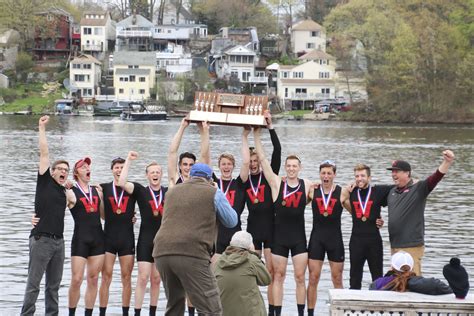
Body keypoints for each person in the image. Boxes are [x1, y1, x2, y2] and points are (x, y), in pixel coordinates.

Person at [152, 163, 238, 315]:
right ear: (209, 179)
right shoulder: (213, 192)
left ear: (190, 176)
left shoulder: (171, 192)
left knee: (174, 304)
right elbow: (231, 221)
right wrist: (217, 191)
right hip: (192, 253)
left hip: (162, 252)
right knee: (211, 308)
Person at [254, 128, 311, 316]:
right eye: (289, 166)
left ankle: (301, 313)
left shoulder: (308, 185)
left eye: (295, 166)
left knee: (300, 277)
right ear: (286, 167)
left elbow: (329, 193)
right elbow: (263, 159)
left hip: (299, 239)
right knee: (277, 276)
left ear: (300, 168)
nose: (292, 169)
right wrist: (257, 133)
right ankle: (276, 313)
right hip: (279, 238)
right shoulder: (277, 183)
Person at [21, 115, 69, 316]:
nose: (63, 171)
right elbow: (44, 153)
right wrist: (41, 128)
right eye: (59, 169)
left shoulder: (65, 191)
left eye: (66, 170)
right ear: (52, 172)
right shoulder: (44, 181)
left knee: (53, 287)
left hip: (59, 243)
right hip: (41, 240)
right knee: (34, 285)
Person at [166, 118, 210, 315]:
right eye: (184, 164)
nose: (188, 167)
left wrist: (204, 132)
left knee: (194, 285)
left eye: (191, 165)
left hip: (193, 237)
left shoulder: (202, 182)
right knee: (176, 289)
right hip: (175, 235)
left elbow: (205, 155)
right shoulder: (175, 180)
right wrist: (182, 127)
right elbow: (172, 152)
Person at [387, 150, 455, 275]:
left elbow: (436, 177)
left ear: (407, 173)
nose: (393, 174)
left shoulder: (418, 189)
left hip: (411, 245)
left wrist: (447, 162)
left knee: (412, 281)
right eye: (392, 171)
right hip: (395, 245)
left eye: (396, 171)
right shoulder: (392, 192)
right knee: (397, 282)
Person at [118, 151, 167, 316]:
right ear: (147, 175)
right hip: (145, 240)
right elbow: (122, 182)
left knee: (156, 279)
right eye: (152, 172)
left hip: (162, 241)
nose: (155, 174)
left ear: (161, 175)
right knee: (143, 277)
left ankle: (152, 313)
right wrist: (128, 161)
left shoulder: (169, 192)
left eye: (158, 172)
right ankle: (137, 313)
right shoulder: (140, 190)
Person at [244, 112, 281, 315]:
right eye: (250, 161)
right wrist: (246, 136)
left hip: (271, 228)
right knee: (251, 273)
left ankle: (273, 311)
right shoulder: (243, 180)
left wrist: (269, 128)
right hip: (252, 230)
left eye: (256, 160)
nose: (253, 164)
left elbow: (277, 150)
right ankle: (254, 310)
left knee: (272, 272)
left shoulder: (269, 176)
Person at [306, 160, 348, 315]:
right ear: (320, 174)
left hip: (335, 240)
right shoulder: (312, 191)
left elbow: (357, 210)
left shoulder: (343, 192)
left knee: (337, 279)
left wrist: (376, 220)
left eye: (329, 173)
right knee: (313, 278)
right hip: (317, 238)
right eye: (323, 173)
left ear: (334, 175)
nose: (326, 176)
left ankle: (340, 312)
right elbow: (295, 204)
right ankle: (310, 313)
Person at [67, 157, 105, 316]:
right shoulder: (69, 191)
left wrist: (131, 217)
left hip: (98, 239)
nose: (87, 168)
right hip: (80, 240)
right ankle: (71, 313)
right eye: (83, 167)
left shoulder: (97, 190)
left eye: (88, 166)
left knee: (94, 279)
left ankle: (88, 314)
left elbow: (103, 216)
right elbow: (52, 205)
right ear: (76, 173)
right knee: (76, 279)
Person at [344, 164, 392, 290]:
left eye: (363, 176)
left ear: (369, 177)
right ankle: (353, 307)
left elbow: (400, 187)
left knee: (377, 278)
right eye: (357, 176)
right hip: (356, 241)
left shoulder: (378, 191)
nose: (359, 179)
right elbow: (335, 194)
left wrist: (382, 220)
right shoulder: (351, 191)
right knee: (354, 279)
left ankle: (379, 307)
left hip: (374, 241)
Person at [98, 157, 136, 316]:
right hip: (109, 238)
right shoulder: (104, 188)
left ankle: (125, 313)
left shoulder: (132, 188)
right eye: (117, 168)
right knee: (106, 277)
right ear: (112, 170)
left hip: (127, 238)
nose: (119, 170)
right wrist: (100, 197)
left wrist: (135, 216)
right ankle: (102, 312)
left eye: (122, 167)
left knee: (126, 278)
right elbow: (102, 216)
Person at [212, 128, 250, 260]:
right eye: (223, 164)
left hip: (235, 232)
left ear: (233, 166)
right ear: (219, 166)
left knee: (234, 270)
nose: (226, 167)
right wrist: (204, 132)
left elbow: (246, 163)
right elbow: (204, 159)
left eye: (229, 164)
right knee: (214, 274)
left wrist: (244, 136)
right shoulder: (213, 183)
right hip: (216, 232)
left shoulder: (239, 184)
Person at [214, 231, 271, 316]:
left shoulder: (219, 261)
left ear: (231, 243)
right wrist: (254, 254)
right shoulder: (252, 260)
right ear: (249, 246)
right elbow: (266, 280)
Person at [370, 251, 458, 295]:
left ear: (392, 267)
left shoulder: (377, 284)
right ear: (412, 267)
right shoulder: (419, 283)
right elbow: (443, 288)